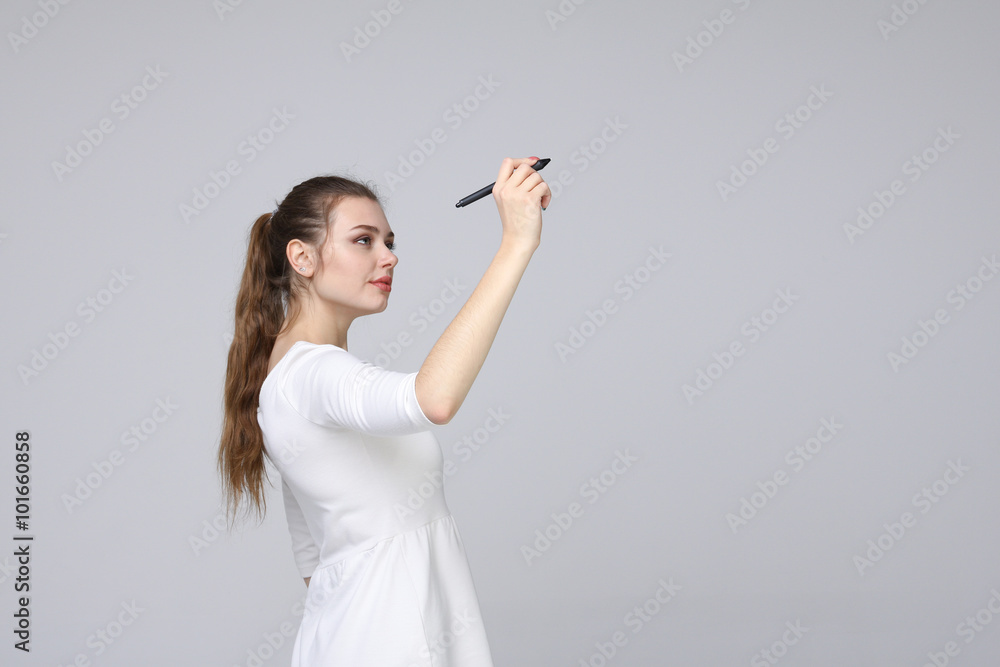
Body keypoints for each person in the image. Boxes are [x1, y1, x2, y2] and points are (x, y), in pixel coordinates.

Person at [217, 156, 550, 666]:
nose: (389, 256)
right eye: (363, 240)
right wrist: (516, 243)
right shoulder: (312, 374)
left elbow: (314, 554)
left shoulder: (288, 376)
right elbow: (433, 399)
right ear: (301, 258)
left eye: (389, 241)